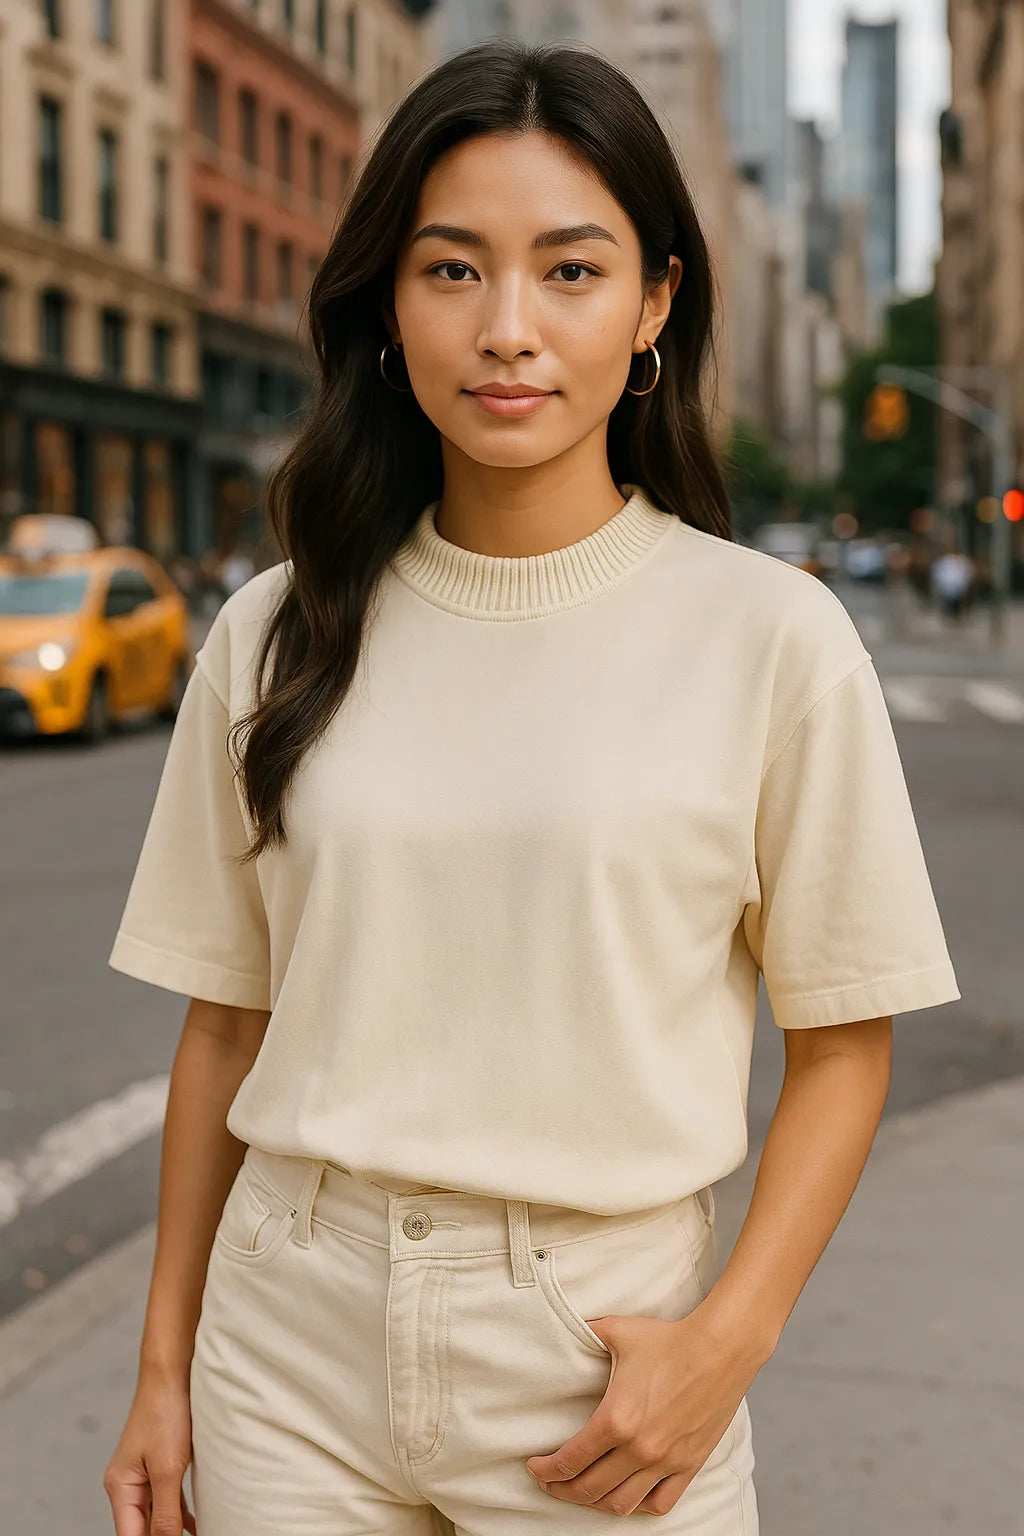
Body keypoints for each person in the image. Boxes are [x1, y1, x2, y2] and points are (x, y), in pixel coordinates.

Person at [101, 39, 960, 1536]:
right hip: (286, 1346)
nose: (508, 329)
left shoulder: (769, 636)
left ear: (655, 303)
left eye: (570, 271)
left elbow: (843, 1047)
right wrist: (163, 1370)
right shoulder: (274, 632)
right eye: (451, 271)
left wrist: (725, 1344)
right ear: (387, 305)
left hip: (602, 1363)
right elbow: (225, 1026)